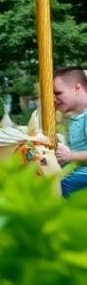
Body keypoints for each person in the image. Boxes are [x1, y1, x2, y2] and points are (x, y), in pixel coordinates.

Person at [53, 65, 87, 197]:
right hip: (79, 173)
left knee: (55, 187)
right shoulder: (74, 120)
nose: (54, 99)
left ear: (77, 88)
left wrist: (69, 156)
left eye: (58, 93)